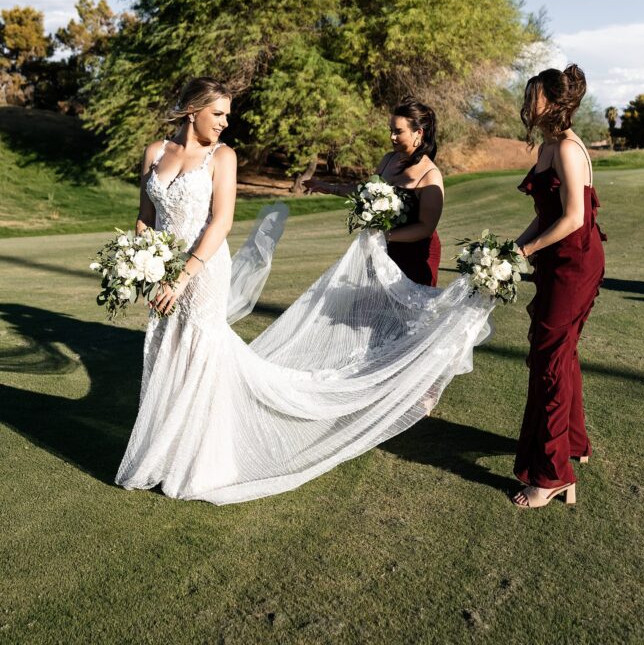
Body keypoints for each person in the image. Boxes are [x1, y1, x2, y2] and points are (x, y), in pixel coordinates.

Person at [116, 78, 494, 505]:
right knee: (166, 347)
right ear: (192, 111)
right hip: (163, 270)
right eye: (218, 114)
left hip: (203, 272)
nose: (225, 122)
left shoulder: (223, 157)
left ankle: (204, 457)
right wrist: (146, 266)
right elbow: (145, 216)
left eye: (226, 114)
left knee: (202, 352)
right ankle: (162, 449)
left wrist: (183, 276)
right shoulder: (154, 153)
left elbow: (220, 222)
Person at [512, 64, 606, 508]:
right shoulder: (549, 145)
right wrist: (513, 248)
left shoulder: (567, 148)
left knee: (550, 357)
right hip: (558, 259)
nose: (527, 103)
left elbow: (573, 219)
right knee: (560, 353)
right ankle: (573, 443)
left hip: (575, 262)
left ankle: (551, 476)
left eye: (533, 96)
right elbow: (548, 214)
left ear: (553, 101)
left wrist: (528, 253)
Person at [305, 100, 444, 286]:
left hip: (414, 254)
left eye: (398, 132)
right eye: (391, 130)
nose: (392, 137)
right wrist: (328, 187)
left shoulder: (430, 175)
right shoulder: (389, 159)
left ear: (418, 133)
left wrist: (384, 236)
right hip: (382, 247)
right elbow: (367, 191)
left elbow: (426, 227)